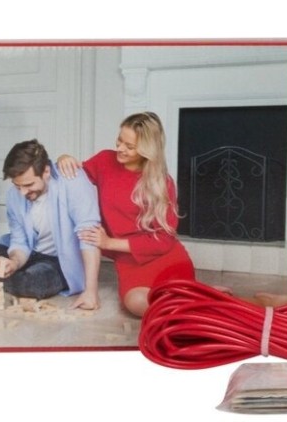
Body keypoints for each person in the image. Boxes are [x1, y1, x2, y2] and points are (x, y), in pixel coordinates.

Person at [58, 111, 195, 317]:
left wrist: (109, 243)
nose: (120, 148)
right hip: (129, 263)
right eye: (119, 140)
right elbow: (76, 179)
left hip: (166, 259)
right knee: (136, 303)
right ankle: (199, 300)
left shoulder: (162, 183)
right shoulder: (104, 160)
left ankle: (201, 302)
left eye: (129, 146)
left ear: (147, 150)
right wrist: (64, 158)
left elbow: (164, 240)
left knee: (169, 303)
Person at [0, 139, 102, 310]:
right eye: (17, 186)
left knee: (31, 285)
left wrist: (91, 291)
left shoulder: (73, 181)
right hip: (29, 253)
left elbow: (89, 236)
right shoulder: (14, 195)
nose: (23, 192)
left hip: (59, 260)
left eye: (29, 185)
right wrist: (13, 262)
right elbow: (19, 241)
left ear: (46, 171)